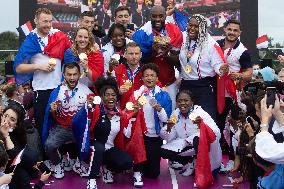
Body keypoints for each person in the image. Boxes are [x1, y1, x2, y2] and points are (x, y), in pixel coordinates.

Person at [14, 8, 71, 140]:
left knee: (62, 125)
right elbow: (18, 68)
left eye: (50, 21)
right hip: (41, 90)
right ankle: (45, 159)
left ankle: (62, 158)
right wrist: (39, 66)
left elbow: (70, 58)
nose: (48, 24)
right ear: (36, 21)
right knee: (43, 126)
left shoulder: (59, 35)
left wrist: (66, 77)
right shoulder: (31, 40)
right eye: (44, 21)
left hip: (60, 88)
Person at [43, 62, 93, 179]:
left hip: (79, 129)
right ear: (64, 75)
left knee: (93, 144)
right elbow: (49, 115)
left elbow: (94, 111)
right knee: (49, 145)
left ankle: (79, 163)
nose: (72, 77)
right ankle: (57, 163)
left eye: (75, 74)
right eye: (69, 74)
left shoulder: (86, 91)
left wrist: (91, 106)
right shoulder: (57, 92)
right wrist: (51, 110)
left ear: (79, 75)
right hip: (62, 128)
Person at [124, 63, 172, 185]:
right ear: (142, 78)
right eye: (146, 76)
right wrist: (134, 111)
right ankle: (137, 171)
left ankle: (139, 166)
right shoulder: (136, 94)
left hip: (154, 136)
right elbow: (127, 115)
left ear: (157, 78)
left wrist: (159, 109)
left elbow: (166, 120)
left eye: (152, 75)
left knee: (153, 174)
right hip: (139, 134)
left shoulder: (164, 96)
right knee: (139, 159)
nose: (149, 78)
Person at [160, 90, 221, 179]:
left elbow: (216, 133)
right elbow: (169, 138)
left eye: (186, 100)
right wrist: (168, 128)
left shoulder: (199, 112)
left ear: (192, 102)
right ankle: (189, 162)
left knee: (197, 140)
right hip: (187, 145)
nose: (182, 103)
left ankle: (199, 162)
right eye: (179, 101)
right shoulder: (175, 113)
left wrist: (202, 125)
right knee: (163, 151)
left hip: (204, 148)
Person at [216, 19, 252, 169]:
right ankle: (215, 158)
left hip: (231, 94)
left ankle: (231, 159)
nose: (232, 32)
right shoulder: (216, 45)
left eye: (235, 30)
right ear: (224, 29)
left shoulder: (242, 51)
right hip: (215, 91)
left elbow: (249, 74)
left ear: (240, 33)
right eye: (229, 29)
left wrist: (239, 75)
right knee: (216, 125)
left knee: (231, 127)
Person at [178, 14, 229, 120]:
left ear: (203, 28)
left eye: (196, 26)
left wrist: (221, 69)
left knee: (204, 121)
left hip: (203, 87)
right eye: (190, 25)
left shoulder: (211, 44)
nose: (192, 28)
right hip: (185, 85)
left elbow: (218, 65)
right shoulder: (183, 37)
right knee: (186, 120)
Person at [132, 5, 183, 110]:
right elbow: (137, 61)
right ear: (150, 17)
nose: (157, 19)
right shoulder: (142, 33)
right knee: (148, 116)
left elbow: (179, 61)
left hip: (169, 83)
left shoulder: (174, 31)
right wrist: (152, 51)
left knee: (170, 116)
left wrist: (167, 53)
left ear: (165, 16)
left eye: (161, 16)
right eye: (154, 16)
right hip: (148, 85)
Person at [87, 77, 134, 189]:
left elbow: (127, 135)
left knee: (127, 162)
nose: (110, 97)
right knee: (98, 147)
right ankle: (92, 179)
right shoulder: (96, 110)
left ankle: (107, 168)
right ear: (102, 97)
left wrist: (131, 117)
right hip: (92, 149)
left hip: (109, 149)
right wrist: (88, 107)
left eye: (113, 95)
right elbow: (82, 124)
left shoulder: (120, 115)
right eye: (107, 95)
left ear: (117, 97)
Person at [0, 103, 50, 189]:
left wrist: (35, 163)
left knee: (24, 173)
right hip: (3, 176)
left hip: (10, 174)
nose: (6, 121)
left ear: (16, 125)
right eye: (5, 116)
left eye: (12, 119)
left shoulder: (16, 135)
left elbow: (17, 155)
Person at [113, 42, 144, 109]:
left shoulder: (146, 71)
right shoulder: (117, 70)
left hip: (142, 110)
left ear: (141, 55)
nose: (134, 56)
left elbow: (157, 88)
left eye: (136, 54)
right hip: (123, 110)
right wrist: (118, 92)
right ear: (125, 54)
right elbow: (110, 92)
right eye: (131, 54)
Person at [255, 94, 284, 164]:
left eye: (257, 110)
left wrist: (265, 121)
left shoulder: (272, 127)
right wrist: (279, 115)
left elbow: (269, 152)